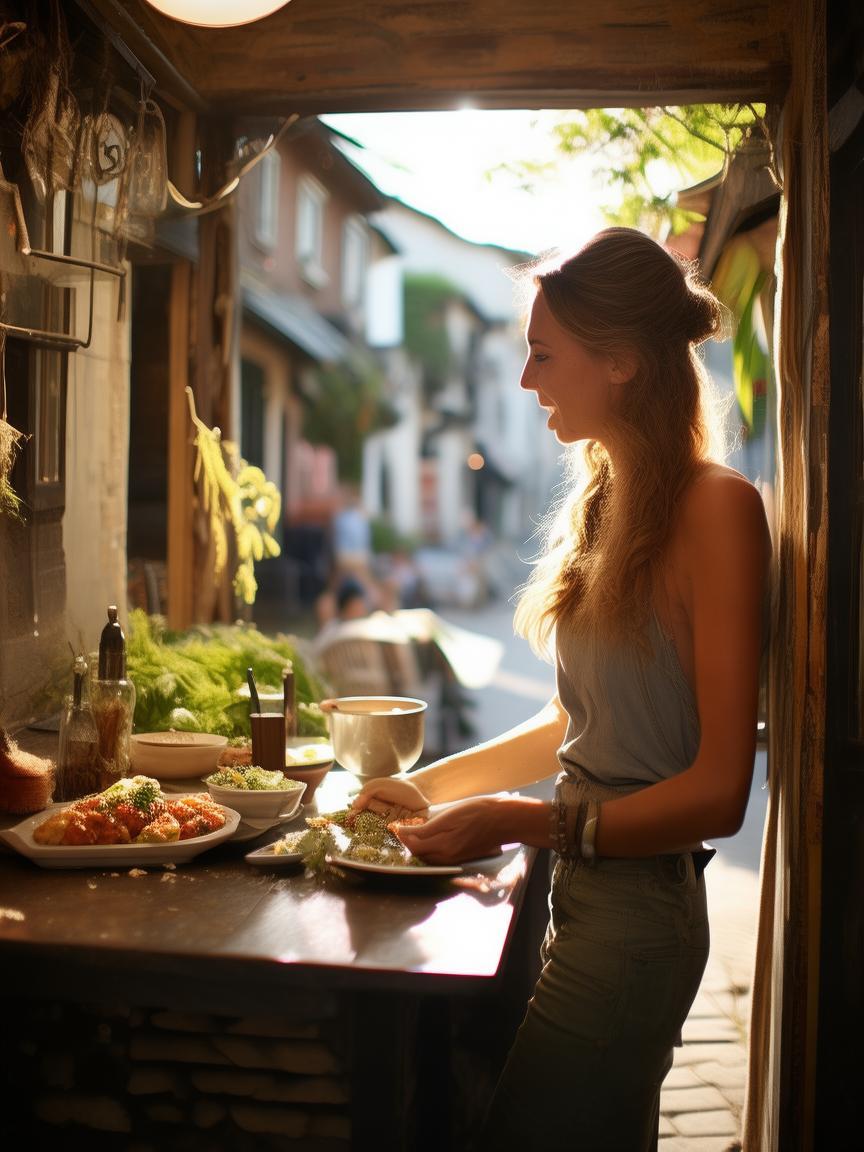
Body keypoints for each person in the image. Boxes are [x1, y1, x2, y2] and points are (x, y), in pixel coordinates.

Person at [351, 227, 771, 1151]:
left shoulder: (719, 509)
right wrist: (423, 788)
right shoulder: (606, 504)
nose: (525, 379)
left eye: (544, 355)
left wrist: (517, 820)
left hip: (640, 916)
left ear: (620, 361)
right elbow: (570, 720)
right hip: (582, 898)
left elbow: (720, 794)